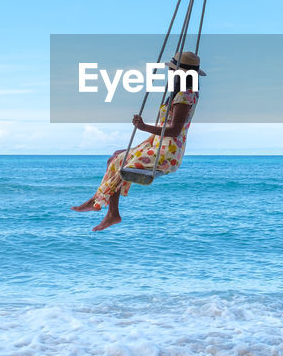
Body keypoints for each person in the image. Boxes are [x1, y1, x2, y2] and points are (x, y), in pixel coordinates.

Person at [70, 51, 203, 232]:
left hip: (166, 153)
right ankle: (100, 204)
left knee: (120, 163)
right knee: (115, 157)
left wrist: (143, 126)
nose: (170, 73)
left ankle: (107, 210)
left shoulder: (184, 97)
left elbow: (174, 130)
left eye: (173, 70)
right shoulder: (184, 93)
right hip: (160, 144)